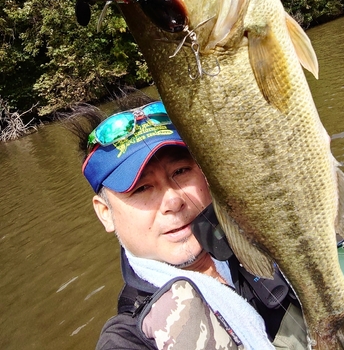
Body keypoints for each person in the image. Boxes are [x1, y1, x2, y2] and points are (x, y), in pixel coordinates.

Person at [70, 94, 308, 350]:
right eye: (141, 188)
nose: (173, 201)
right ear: (105, 212)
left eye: (181, 172)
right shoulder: (130, 338)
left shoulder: (270, 234)